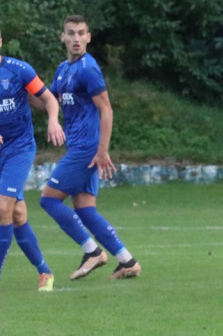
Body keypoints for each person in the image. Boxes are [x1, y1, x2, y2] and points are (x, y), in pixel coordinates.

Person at [39, 15, 140, 280]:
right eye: (70, 33)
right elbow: (48, 101)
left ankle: (92, 251)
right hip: (80, 148)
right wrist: (24, 90)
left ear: (88, 37)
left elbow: (106, 109)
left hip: (86, 149)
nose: (75, 38)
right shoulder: (63, 69)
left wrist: (102, 150)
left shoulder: (88, 68)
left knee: (48, 199)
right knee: (85, 210)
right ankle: (127, 261)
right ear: (63, 37)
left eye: (81, 33)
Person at [0, 26, 65, 291]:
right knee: (16, 213)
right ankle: (45, 272)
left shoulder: (18, 69)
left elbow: (48, 98)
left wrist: (53, 120)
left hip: (19, 147)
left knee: (2, 208)